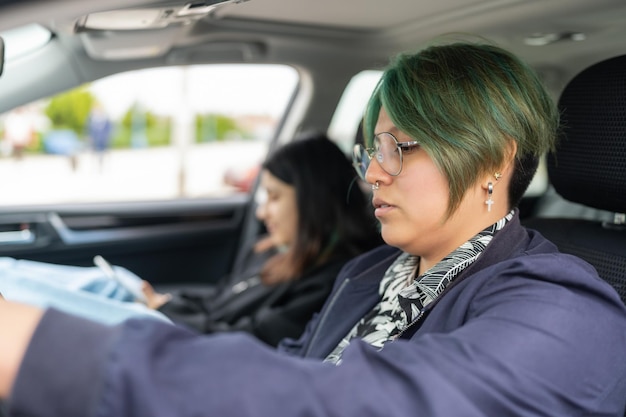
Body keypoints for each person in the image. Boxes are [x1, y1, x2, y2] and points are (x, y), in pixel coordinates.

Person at [1, 40, 626, 417]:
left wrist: (46, 351)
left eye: (401, 147)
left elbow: (359, 406)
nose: (373, 175)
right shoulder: (369, 273)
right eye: (370, 151)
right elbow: (289, 369)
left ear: (493, 160)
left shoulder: (567, 311)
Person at [0, 133, 382, 347]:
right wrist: (167, 300)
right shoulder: (274, 250)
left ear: (313, 200)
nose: (263, 212)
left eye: (275, 197)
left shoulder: (334, 276)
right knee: (111, 277)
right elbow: (219, 297)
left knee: (121, 305)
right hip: (186, 321)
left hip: (193, 343)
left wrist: (164, 311)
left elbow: (252, 337)